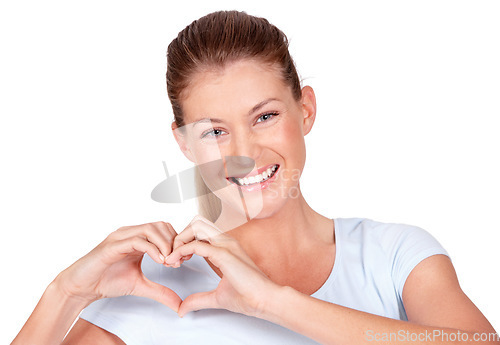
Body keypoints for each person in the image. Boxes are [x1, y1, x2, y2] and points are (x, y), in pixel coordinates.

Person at [12, 10, 498, 345]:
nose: (244, 153)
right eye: (214, 131)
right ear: (184, 143)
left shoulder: (395, 256)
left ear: (305, 109)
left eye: (264, 116)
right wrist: (66, 292)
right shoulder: (151, 287)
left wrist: (273, 303)